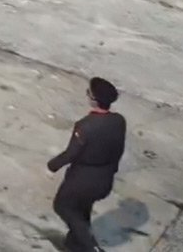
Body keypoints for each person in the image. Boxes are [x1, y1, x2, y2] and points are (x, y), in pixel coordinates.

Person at [47, 76, 127, 252]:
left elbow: (71, 153)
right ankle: (75, 244)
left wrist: (53, 165)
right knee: (83, 209)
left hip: (82, 179)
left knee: (63, 206)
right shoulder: (119, 121)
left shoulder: (85, 126)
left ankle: (91, 246)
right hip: (105, 178)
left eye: (88, 93)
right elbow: (119, 149)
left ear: (94, 100)